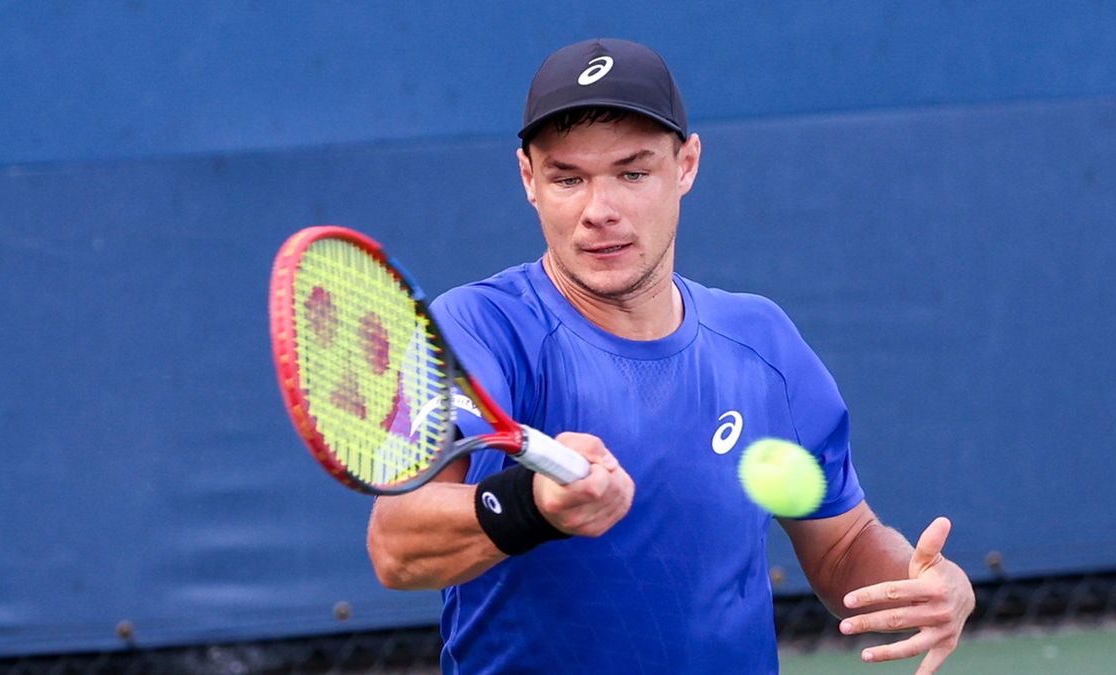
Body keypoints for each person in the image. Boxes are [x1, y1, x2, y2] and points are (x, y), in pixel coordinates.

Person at [367, 37, 974, 674]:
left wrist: (925, 586)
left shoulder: (762, 342)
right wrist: (533, 505)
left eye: (632, 173)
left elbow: (843, 543)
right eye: (567, 178)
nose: (599, 211)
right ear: (529, 180)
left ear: (685, 165)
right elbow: (397, 544)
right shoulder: (478, 328)